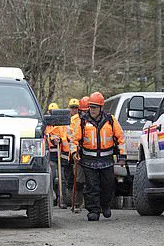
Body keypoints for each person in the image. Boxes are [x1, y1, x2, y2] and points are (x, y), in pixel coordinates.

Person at [72, 92, 125, 221]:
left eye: (95, 107)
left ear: (101, 107)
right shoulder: (82, 121)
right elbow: (74, 140)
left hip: (107, 160)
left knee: (108, 185)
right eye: (91, 107)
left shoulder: (110, 120)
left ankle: (105, 206)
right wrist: (74, 153)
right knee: (91, 187)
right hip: (88, 160)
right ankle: (93, 210)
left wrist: (122, 155)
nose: (93, 110)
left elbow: (120, 138)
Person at [45, 102, 67, 206]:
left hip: (61, 153)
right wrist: (51, 139)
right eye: (51, 112)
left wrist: (60, 139)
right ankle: (51, 199)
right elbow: (45, 137)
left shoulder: (62, 125)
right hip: (50, 154)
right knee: (52, 177)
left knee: (62, 178)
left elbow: (66, 137)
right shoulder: (46, 126)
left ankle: (62, 199)